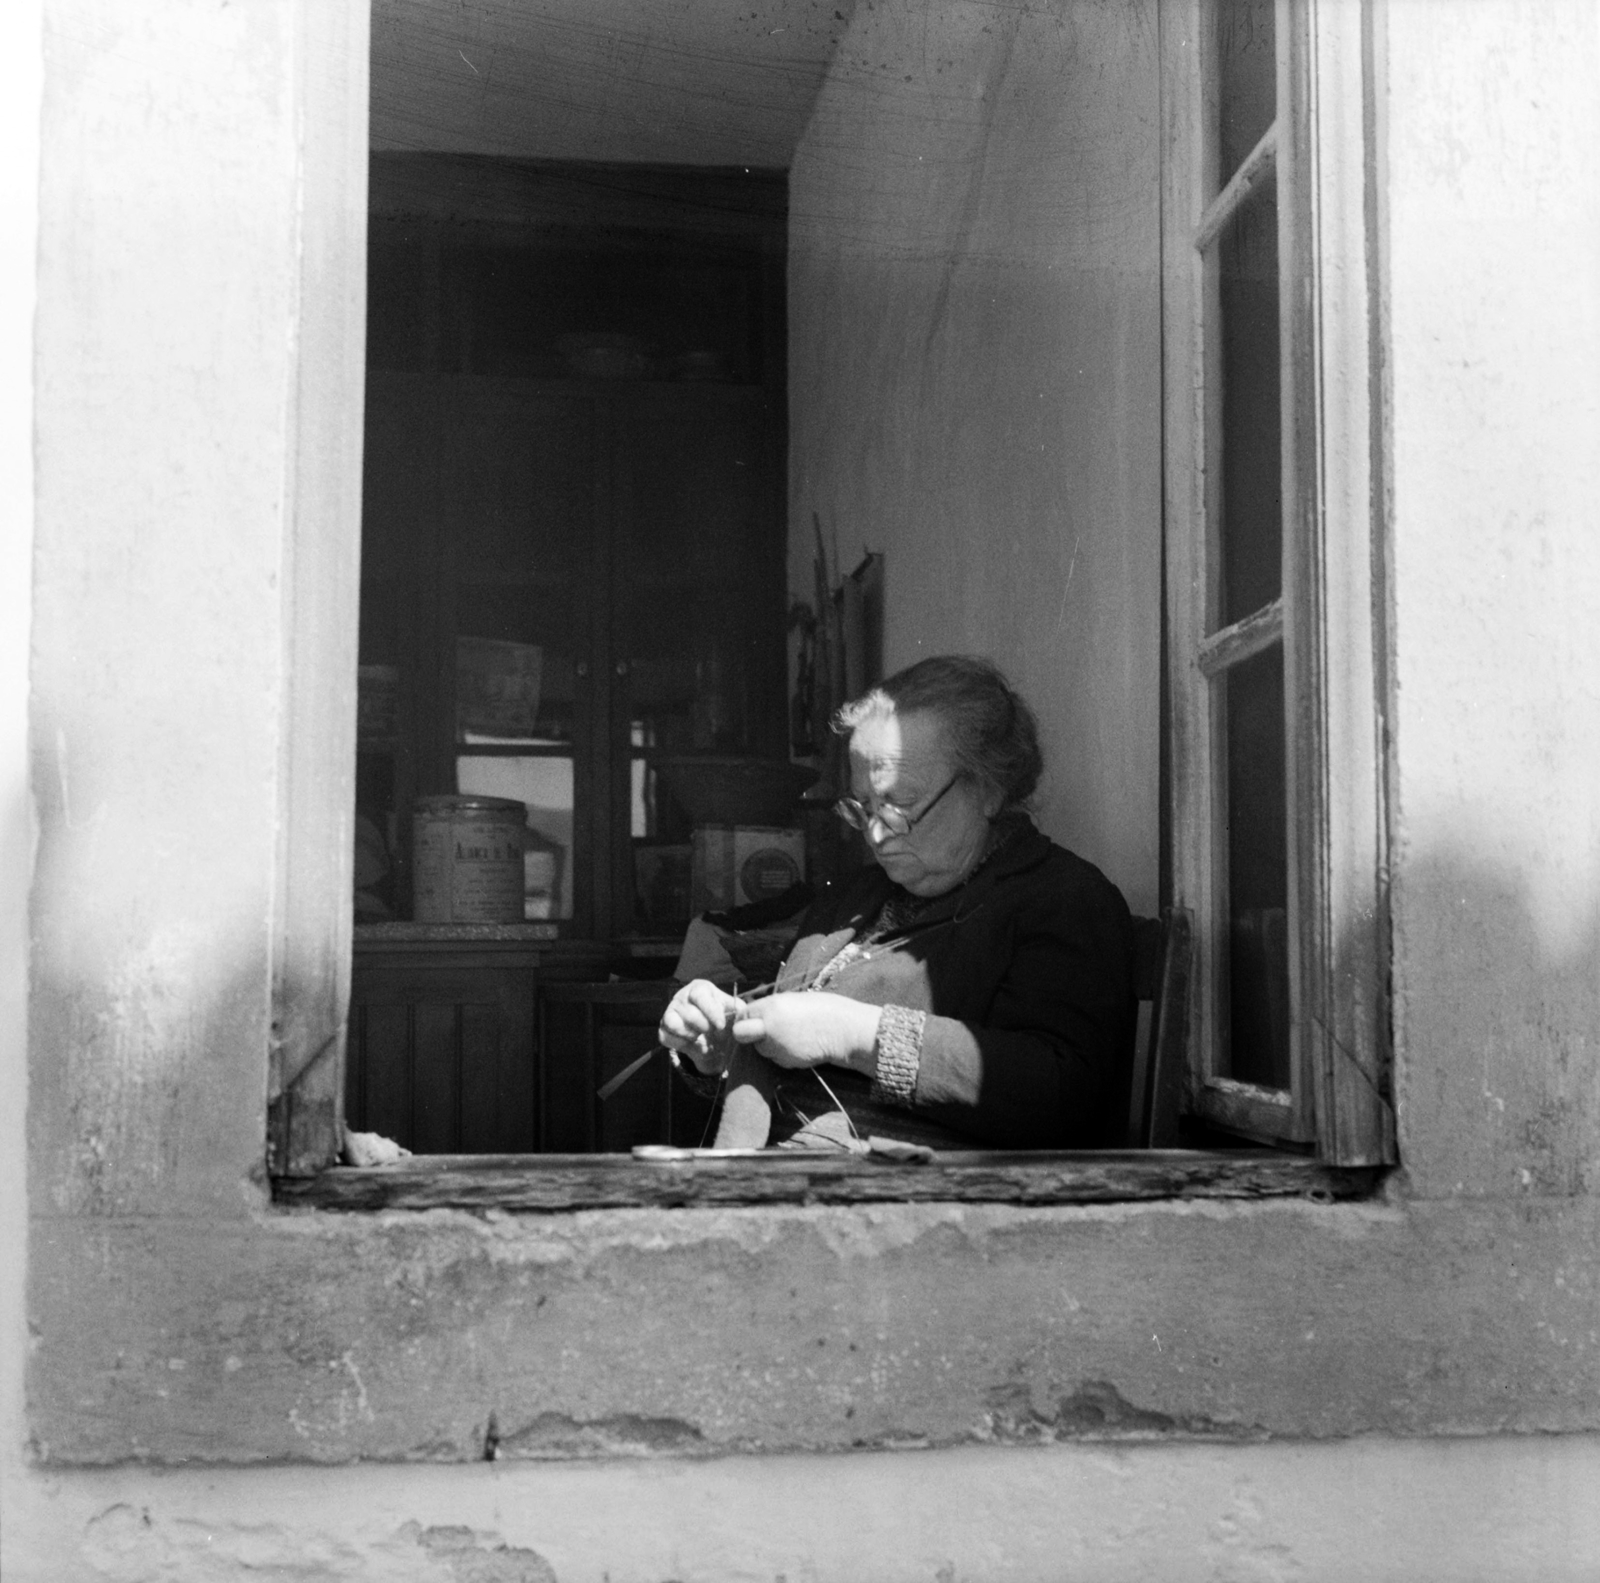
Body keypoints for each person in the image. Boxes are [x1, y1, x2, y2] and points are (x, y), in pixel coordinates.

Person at [659, 655, 1137, 1151]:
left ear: (989, 789)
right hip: (792, 1182)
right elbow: (778, 1073)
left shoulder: (1063, 898)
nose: (875, 833)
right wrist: (717, 1053)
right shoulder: (854, 897)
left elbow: (1061, 1092)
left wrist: (857, 1034)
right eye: (862, 807)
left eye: (900, 805)